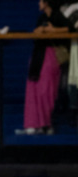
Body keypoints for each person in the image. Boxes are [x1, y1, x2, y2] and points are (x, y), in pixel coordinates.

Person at [22, 0, 70, 135]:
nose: (38, 3)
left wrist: (52, 30)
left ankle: (46, 123)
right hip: (38, 55)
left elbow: (69, 28)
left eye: (41, 1)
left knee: (47, 90)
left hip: (51, 55)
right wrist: (40, 31)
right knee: (33, 89)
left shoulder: (58, 16)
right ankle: (32, 123)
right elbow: (36, 35)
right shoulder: (41, 18)